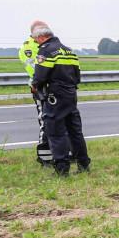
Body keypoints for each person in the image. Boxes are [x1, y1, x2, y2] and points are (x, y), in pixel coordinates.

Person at [28, 21, 89, 176]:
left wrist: (34, 86)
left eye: (35, 39)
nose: (35, 42)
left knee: (56, 133)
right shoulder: (69, 51)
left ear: (40, 37)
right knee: (75, 132)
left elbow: (40, 76)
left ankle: (62, 170)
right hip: (71, 95)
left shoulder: (46, 51)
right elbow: (77, 76)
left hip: (54, 97)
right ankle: (83, 165)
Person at [18, 32, 52, 167]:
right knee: (45, 122)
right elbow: (35, 68)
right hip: (41, 87)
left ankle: (59, 153)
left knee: (57, 122)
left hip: (50, 86)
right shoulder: (29, 47)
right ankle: (45, 158)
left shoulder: (44, 45)